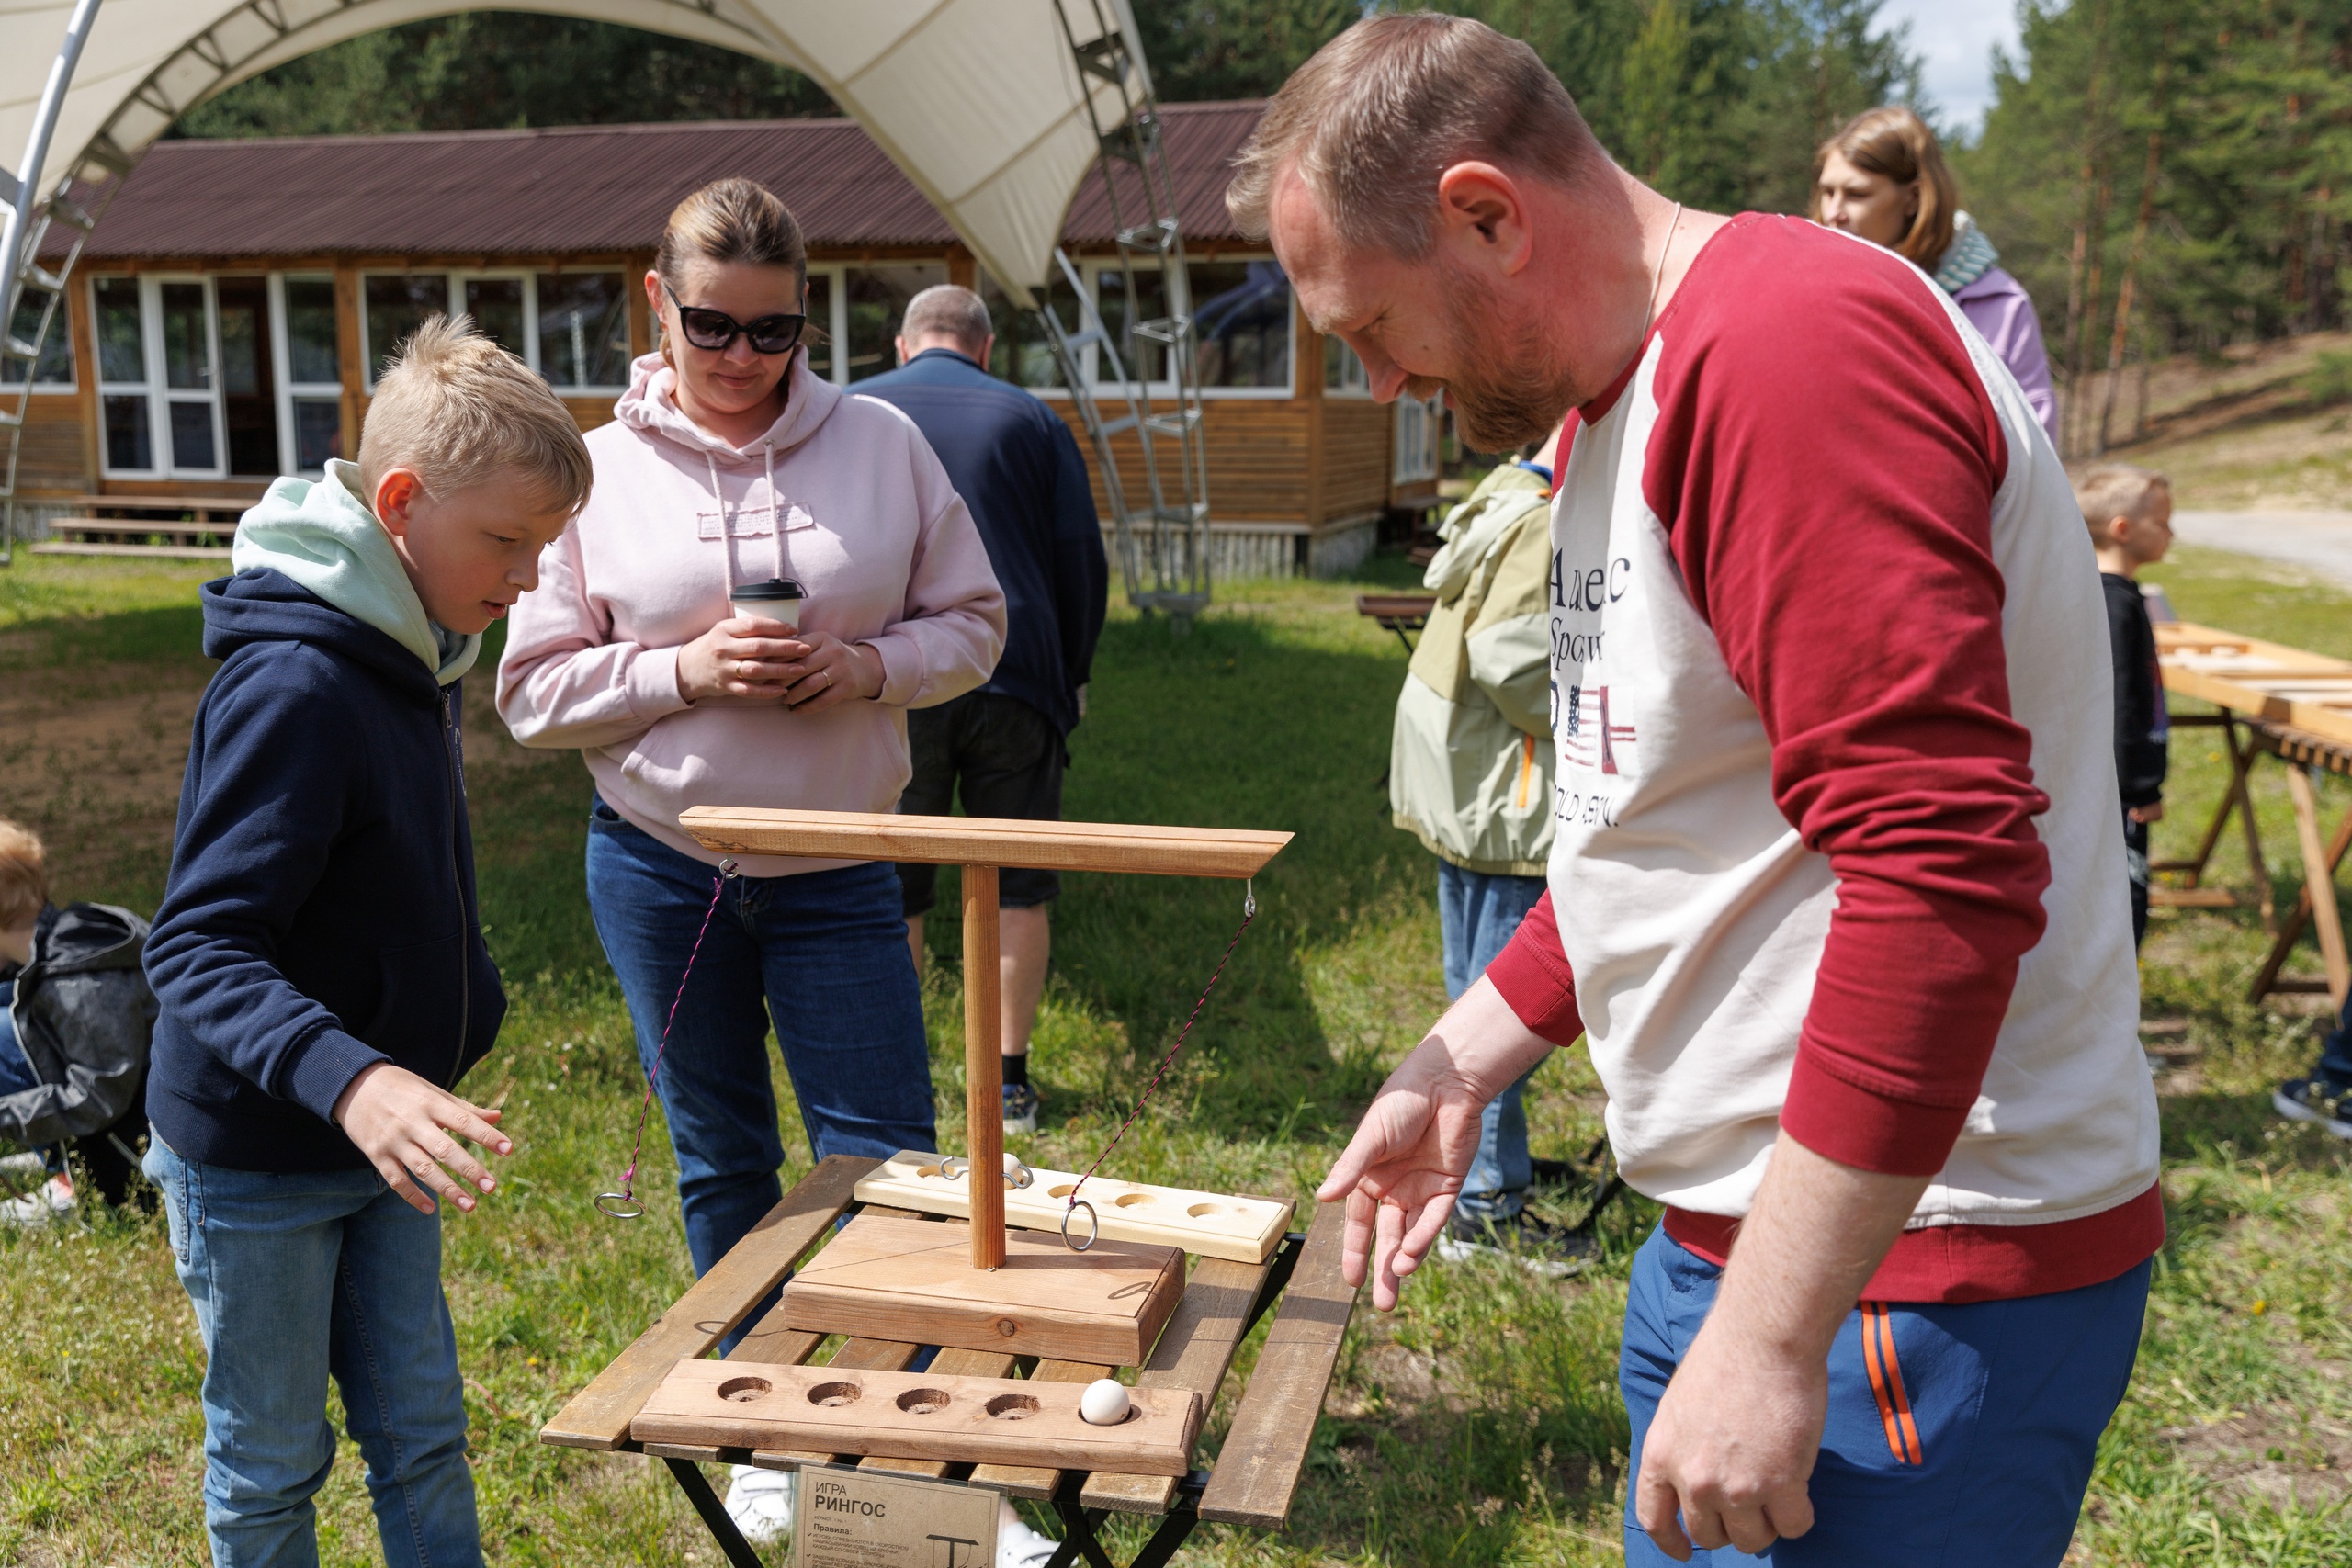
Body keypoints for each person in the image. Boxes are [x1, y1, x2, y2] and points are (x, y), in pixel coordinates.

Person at [1236, 16, 2161, 1565]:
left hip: (1906, 1270)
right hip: (1779, 1250)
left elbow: (1937, 867)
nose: (1381, 377)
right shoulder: (1630, 396)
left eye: (1373, 324)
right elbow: (1663, 817)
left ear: (1487, 214)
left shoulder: (1785, 350)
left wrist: (1774, 1333)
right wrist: (1465, 1061)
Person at [497, 179, 1005, 1550]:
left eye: (773, 331)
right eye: (712, 325)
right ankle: (762, 1423)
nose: (740, 358)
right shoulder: (594, 472)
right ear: (656, 304)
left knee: (888, 1162)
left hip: (842, 863)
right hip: (663, 867)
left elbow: (977, 625)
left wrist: (867, 665)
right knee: (722, 1155)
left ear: (806, 319)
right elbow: (529, 690)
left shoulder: (884, 443)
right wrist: (682, 670)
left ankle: (910, 1455)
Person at [141, 317, 586, 1567]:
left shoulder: (414, 644)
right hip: (258, 1155)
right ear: (399, 504)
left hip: (379, 1136)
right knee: (272, 1463)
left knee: (422, 1434)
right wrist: (358, 1077)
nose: (528, 577)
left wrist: (454, 1007)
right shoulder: (298, 683)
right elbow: (198, 944)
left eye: (545, 546)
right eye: (506, 540)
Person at [856, 284, 1108, 1135]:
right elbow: (1080, 559)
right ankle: (1009, 1084)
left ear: (902, 345)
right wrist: (1070, 674)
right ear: (987, 348)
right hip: (1017, 672)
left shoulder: (856, 412)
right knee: (1016, 884)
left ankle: (902, 1075)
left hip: (897, 673)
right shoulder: (1034, 419)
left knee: (895, 885)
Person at [1385, 453, 1577, 1269]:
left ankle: (1488, 1169)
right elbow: (1513, 659)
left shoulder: (1500, 497)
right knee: (1503, 1011)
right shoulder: (1541, 519)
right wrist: (1599, 697)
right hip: (1509, 795)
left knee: (1471, 993)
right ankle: (1484, 1204)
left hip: (1469, 786)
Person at [1815, 107, 2061, 447]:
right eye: (1827, 192)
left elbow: (2035, 444)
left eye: (1857, 194)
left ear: (1914, 198)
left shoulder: (2000, 306)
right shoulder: (1811, 292)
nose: (1833, 213)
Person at [0, 817, 156, 1222]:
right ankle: (58, 1157)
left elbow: (99, 1097)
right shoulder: (69, 935)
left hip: (136, 1165)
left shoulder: (77, 984)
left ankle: (70, 1180)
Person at [2078, 463, 2174, 949]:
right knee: (2123, 905)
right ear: (2123, 529)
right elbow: (2117, 705)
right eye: (2162, 521)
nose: (2171, 533)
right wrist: (2139, 788)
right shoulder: (2113, 605)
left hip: (2122, 791)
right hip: (2120, 797)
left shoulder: (2121, 596)